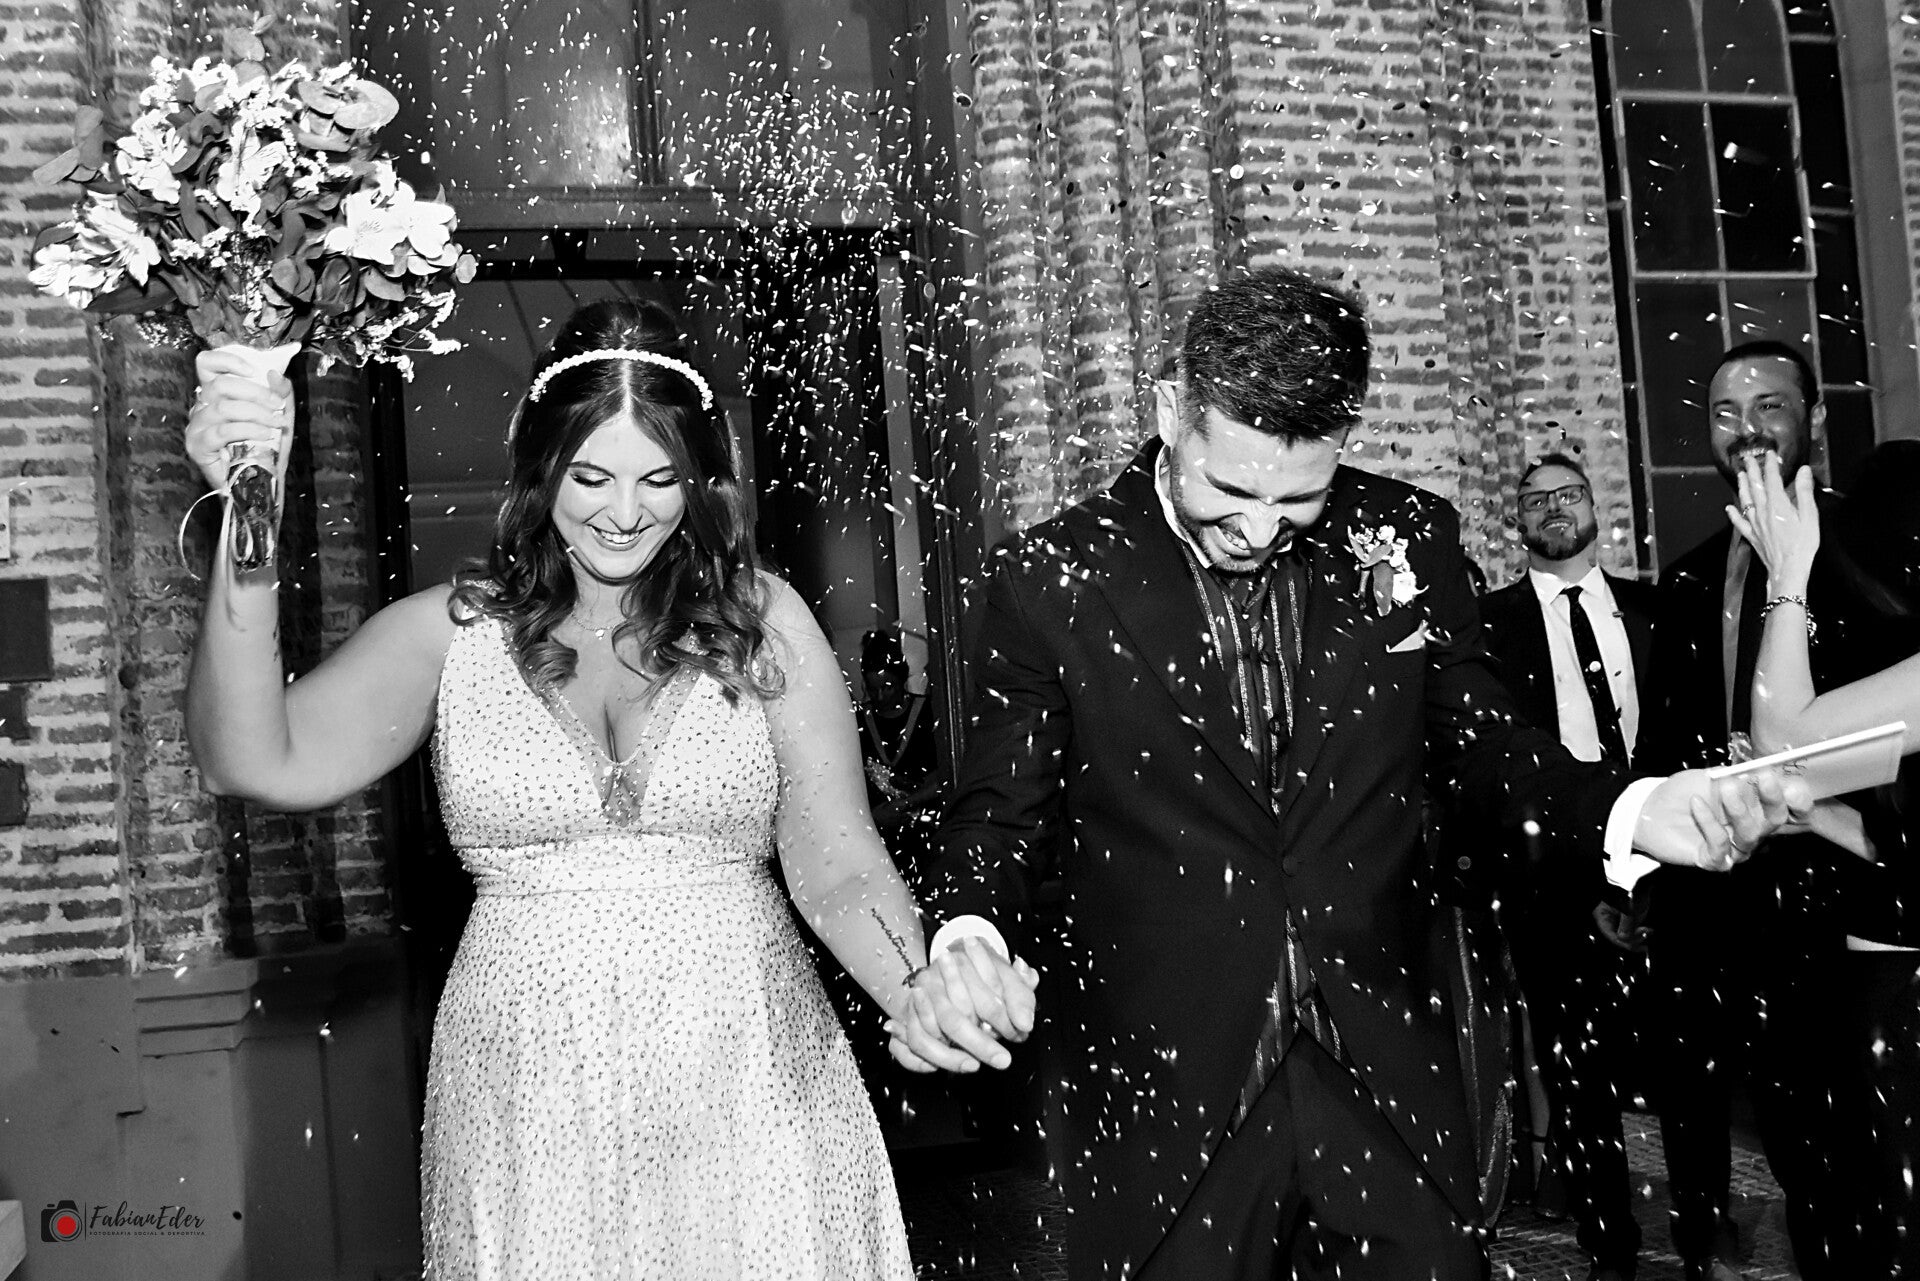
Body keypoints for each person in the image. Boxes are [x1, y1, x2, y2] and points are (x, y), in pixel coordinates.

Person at [895, 267, 1807, 1281]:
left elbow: (1489, 748)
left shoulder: (1410, 536)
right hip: (1166, 1104)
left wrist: (1635, 809)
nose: (1258, 530)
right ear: (1171, 413)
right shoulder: (1051, 576)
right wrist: (966, 939)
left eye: (1298, 499)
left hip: (1387, 1091)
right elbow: (998, 817)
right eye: (1230, 492)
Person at [182, 300, 1007, 1279]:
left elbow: (836, 858)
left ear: (699, 479)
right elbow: (250, 760)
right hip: (529, 1095)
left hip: (749, 1076)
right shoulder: (453, 635)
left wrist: (913, 989)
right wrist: (248, 511)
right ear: (541, 469)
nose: (625, 512)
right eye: (591, 477)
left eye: (659, 479)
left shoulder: (761, 619)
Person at [1632, 340, 1886, 1280]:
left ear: (1813, 418)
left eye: (1770, 405)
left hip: (1843, 888)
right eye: (1725, 413)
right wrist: (1643, 871)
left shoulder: (1869, 551)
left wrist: (1812, 788)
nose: (1747, 429)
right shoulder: (1691, 575)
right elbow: (1664, 740)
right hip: (1716, 894)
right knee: (1747, 1115)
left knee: (1845, 1139)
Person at [1729, 441, 1920, 1275]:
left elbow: (1784, 738)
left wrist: (1788, 574)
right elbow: (1897, 841)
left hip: (1905, 995)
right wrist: (1814, 809)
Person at [1478, 452, 1656, 1280]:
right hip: (1553, 872)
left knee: (1686, 1052)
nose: (1554, 507)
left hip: (1663, 854)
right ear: (1517, 520)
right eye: (1536, 499)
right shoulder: (1490, 624)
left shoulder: (1654, 609)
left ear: (1594, 506)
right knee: (1577, 1066)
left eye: (1569, 494)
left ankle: (1699, 1225)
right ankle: (1608, 1241)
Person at [856, 628, 944, 878]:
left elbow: (945, 776)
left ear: (902, 678)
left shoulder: (928, 713)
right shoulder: (859, 722)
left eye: (888, 687)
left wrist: (905, 804)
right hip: (878, 843)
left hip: (928, 837)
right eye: (872, 689)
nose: (880, 696)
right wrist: (874, 816)